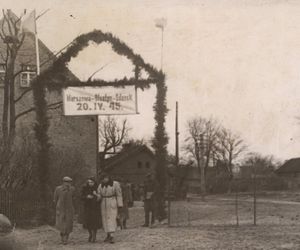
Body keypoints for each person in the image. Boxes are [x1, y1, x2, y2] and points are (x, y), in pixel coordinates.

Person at [97, 173, 123, 244]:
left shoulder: (115, 184)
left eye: (105, 178)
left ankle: (112, 235)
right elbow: (99, 193)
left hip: (112, 201)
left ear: (108, 177)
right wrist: (98, 196)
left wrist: (120, 204)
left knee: (111, 218)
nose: (104, 180)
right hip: (103, 203)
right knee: (105, 219)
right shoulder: (100, 185)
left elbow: (119, 194)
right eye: (103, 179)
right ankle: (108, 234)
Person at [53, 176, 75, 245]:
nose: (68, 184)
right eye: (66, 182)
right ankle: (62, 238)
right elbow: (55, 199)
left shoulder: (72, 189)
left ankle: (66, 239)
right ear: (63, 182)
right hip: (61, 208)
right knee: (61, 224)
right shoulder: (58, 189)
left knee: (68, 224)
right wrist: (57, 208)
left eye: (69, 182)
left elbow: (74, 198)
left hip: (69, 208)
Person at [81, 177, 101, 243]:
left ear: (94, 182)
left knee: (95, 222)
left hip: (95, 207)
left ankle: (94, 236)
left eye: (92, 182)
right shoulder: (84, 188)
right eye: (89, 182)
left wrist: (96, 195)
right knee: (88, 222)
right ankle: (90, 234)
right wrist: (87, 197)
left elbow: (101, 198)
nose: (90, 184)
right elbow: (81, 197)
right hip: (88, 207)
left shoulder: (98, 188)